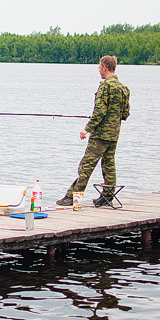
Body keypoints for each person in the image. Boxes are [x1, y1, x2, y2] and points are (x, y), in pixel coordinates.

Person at [56, 55, 130, 207]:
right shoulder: (123, 88)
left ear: (104, 68)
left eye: (99, 67)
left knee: (86, 165)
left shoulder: (105, 86)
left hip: (101, 134)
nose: (99, 71)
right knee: (109, 164)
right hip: (114, 134)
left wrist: (86, 129)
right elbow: (125, 114)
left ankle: (73, 196)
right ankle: (108, 197)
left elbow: (100, 112)